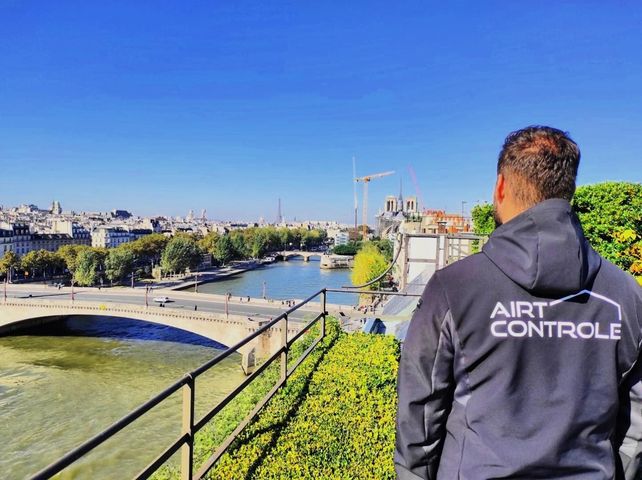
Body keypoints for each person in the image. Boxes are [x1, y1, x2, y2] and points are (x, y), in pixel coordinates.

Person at [395, 126, 642, 480]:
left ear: (500, 187)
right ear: (567, 189)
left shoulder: (453, 288)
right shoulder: (625, 294)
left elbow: (420, 413)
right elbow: (635, 425)